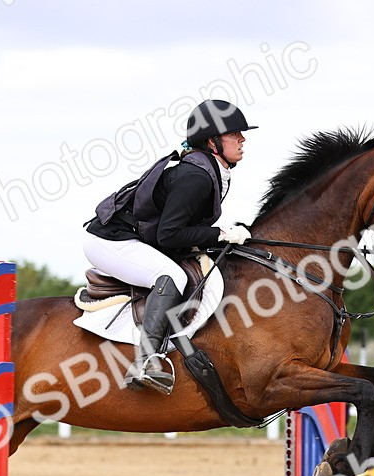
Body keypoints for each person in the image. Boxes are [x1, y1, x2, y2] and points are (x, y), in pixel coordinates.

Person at [82, 99, 257, 395]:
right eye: (235, 134)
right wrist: (221, 234)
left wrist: (222, 235)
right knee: (171, 276)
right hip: (110, 240)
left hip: (136, 237)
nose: (242, 139)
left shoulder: (208, 170)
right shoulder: (196, 176)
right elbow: (168, 235)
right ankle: (147, 360)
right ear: (212, 142)